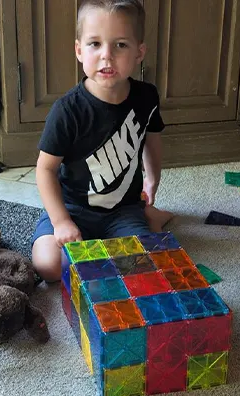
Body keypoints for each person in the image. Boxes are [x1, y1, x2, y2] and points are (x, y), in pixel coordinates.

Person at [32, 0, 172, 282]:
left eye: (120, 45)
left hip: (124, 210)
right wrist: (61, 222)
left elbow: (151, 137)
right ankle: (144, 222)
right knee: (48, 265)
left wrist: (153, 178)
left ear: (139, 52)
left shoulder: (146, 97)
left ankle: (151, 218)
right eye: (95, 44)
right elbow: (45, 170)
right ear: (78, 50)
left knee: (142, 267)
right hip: (73, 207)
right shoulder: (67, 110)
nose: (107, 56)